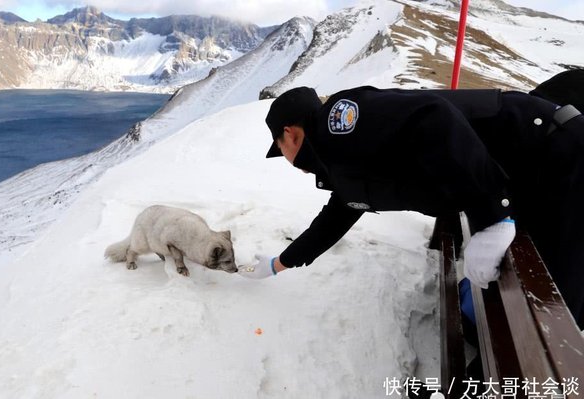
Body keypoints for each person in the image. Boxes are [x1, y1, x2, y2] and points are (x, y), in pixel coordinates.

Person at [237, 84, 584, 329]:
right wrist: (278, 264)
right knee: (541, 298)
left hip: (555, 154)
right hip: (533, 174)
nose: (284, 158)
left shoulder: (338, 125)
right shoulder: (343, 164)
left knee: (556, 308)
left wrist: (490, 215)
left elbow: (434, 119)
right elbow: (332, 221)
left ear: (291, 133)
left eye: (280, 147)